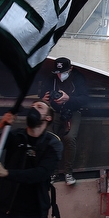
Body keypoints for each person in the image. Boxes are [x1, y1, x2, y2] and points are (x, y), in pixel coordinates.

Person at [45, 57, 88, 186]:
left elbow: (85, 99)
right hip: (55, 111)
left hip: (73, 111)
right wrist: (46, 98)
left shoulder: (78, 78)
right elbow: (44, 94)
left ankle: (68, 172)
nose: (60, 75)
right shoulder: (52, 79)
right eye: (57, 72)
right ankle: (52, 172)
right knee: (50, 137)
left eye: (63, 72)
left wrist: (69, 99)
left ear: (70, 69)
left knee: (69, 138)